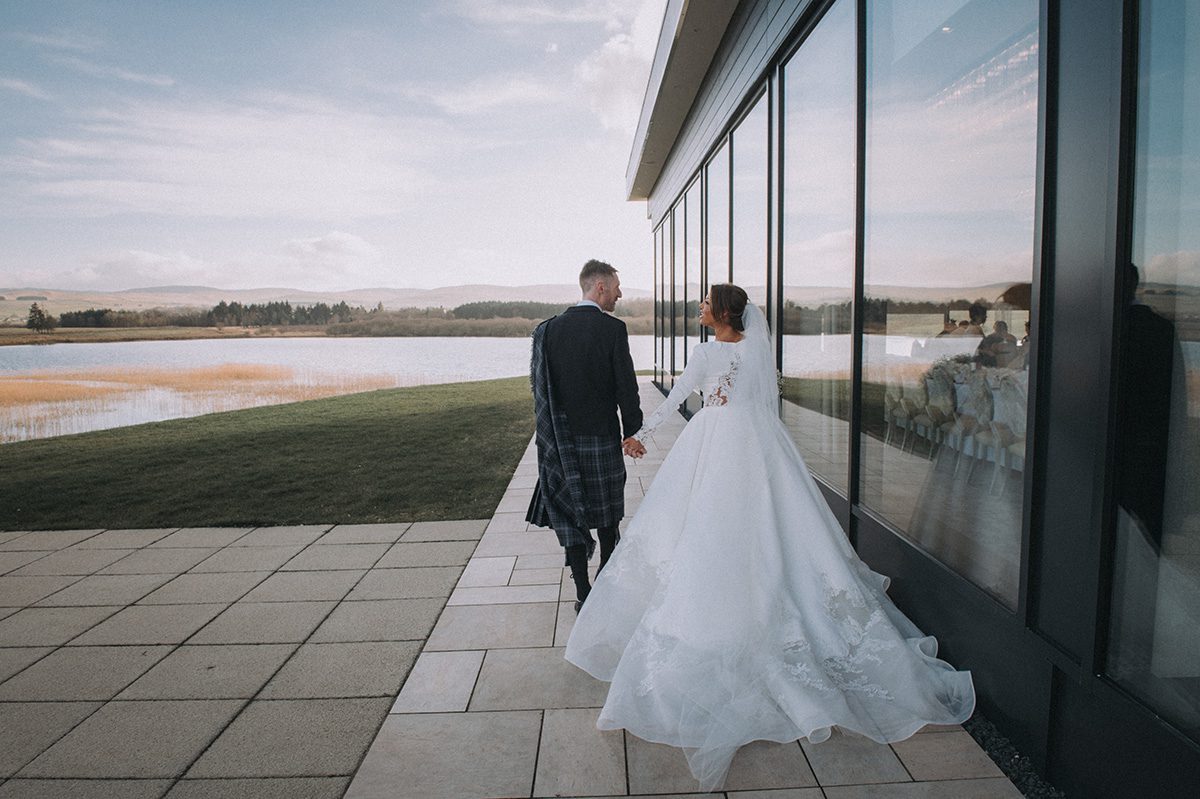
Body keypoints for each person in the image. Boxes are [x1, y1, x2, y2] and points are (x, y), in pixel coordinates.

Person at [566, 283, 975, 791]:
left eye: (705, 303)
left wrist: (640, 436)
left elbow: (677, 397)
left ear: (721, 312)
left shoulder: (705, 353)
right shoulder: (757, 349)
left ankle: (726, 609)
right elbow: (762, 400)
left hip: (715, 442)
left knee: (707, 526)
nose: (699, 308)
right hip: (756, 443)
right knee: (763, 523)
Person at [526, 260, 645, 613]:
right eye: (617, 288)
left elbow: (539, 390)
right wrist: (632, 431)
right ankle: (604, 589)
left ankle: (583, 592)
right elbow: (626, 387)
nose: (620, 294)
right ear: (600, 287)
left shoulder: (547, 330)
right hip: (601, 438)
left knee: (570, 516)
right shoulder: (613, 329)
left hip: (560, 442)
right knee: (608, 518)